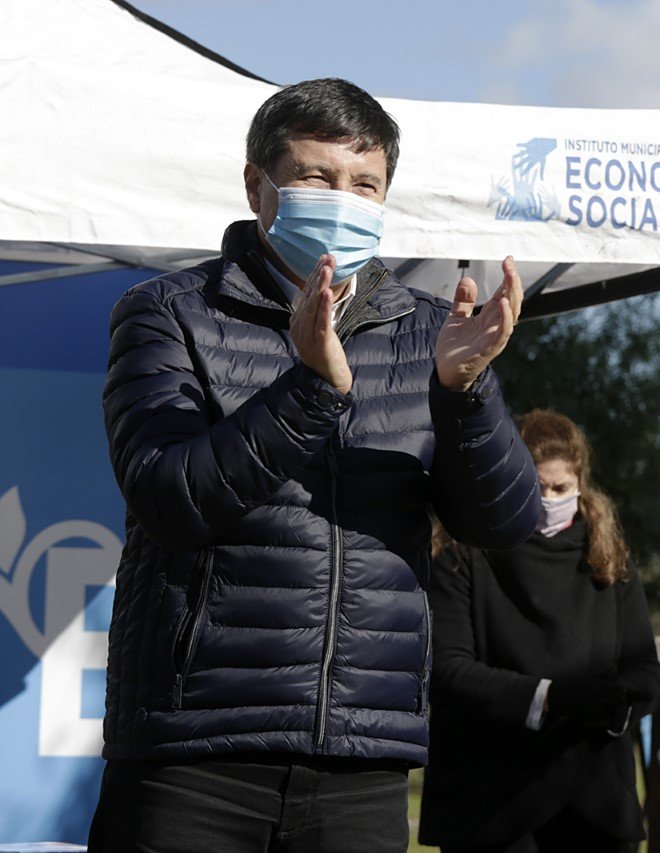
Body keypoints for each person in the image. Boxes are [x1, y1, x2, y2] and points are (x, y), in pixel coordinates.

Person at [88, 78, 540, 853]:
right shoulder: (169, 312)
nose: (343, 199)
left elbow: (506, 521)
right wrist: (311, 388)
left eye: (365, 184)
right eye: (317, 177)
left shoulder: (429, 333)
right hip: (194, 753)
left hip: (362, 759)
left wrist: (464, 397)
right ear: (257, 184)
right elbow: (167, 496)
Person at [419, 409, 660, 853]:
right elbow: (448, 672)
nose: (549, 499)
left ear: (580, 485)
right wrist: (548, 698)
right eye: (536, 487)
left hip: (594, 800)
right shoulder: (462, 552)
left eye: (561, 488)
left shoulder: (608, 556)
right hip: (492, 802)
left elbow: (643, 665)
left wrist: (622, 702)